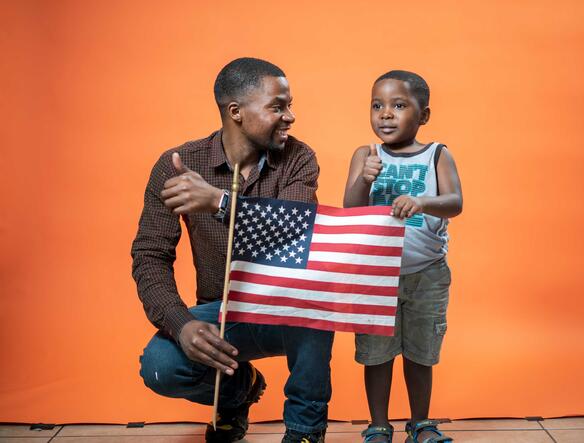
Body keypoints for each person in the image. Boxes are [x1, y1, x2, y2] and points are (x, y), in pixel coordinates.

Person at [131, 57, 333, 443]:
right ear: (235, 112)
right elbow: (150, 255)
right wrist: (181, 323)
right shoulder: (178, 164)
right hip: (223, 311)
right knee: (159, 366)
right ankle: (238, 391)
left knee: (317, 301)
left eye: (289, 105)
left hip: (284, 308)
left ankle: (305, 430)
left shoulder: (299, 158)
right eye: (277, 106)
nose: (290, 116)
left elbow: (293, 229)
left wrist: (220, 203)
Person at [343, 70, 463, 443]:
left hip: (426, 273)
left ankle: (420, 424)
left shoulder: (437, 154)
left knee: (420, 351)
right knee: (377, 353)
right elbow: (350, 210)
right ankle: (378, 425)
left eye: (399, 105)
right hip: (376, 274)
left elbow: (455, 202)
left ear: (423, 115)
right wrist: (364, 178)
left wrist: (423, 201)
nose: (386, 114)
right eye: (377, 105)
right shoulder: (367, 154)